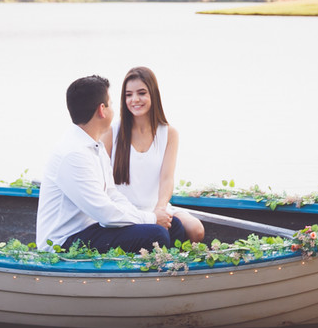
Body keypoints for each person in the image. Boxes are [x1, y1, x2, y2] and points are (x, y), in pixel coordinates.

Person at [36, 75, 187, 253]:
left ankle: (165, 272)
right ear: (102, 110)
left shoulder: (95, 146)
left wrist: (148, 217)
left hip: (91, 229)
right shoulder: (73, 154)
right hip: (65, 241)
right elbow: (105, 213)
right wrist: (151, 218)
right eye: (111, 103)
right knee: (156, 234)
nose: (114, 109)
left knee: (174, 226)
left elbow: (112, 194)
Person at [109, 66, 205, 243]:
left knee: (196, 230)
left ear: (153, 94)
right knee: (157, 233)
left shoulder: (169, 133)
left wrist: (160, 209)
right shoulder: (112, 132)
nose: (135, 100)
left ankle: (178, 265)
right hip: (127, 211)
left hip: (156, 206)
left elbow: (167, 178)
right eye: (128, 95)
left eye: (141, 93)